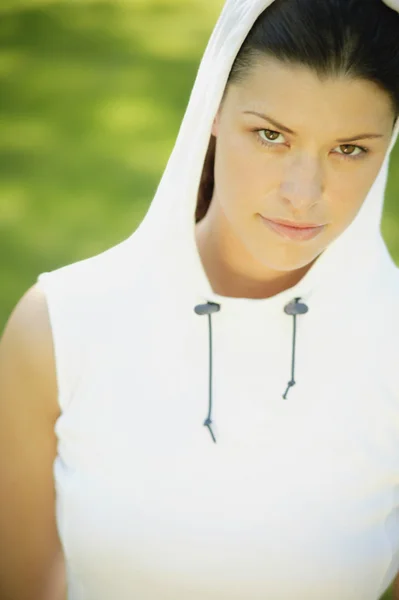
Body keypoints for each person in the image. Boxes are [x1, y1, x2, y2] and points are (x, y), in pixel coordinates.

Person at [1, 0, 399, 598]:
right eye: (271, 136)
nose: (303, 193)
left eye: (349, 149)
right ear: (213, 108)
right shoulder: (59, 328)